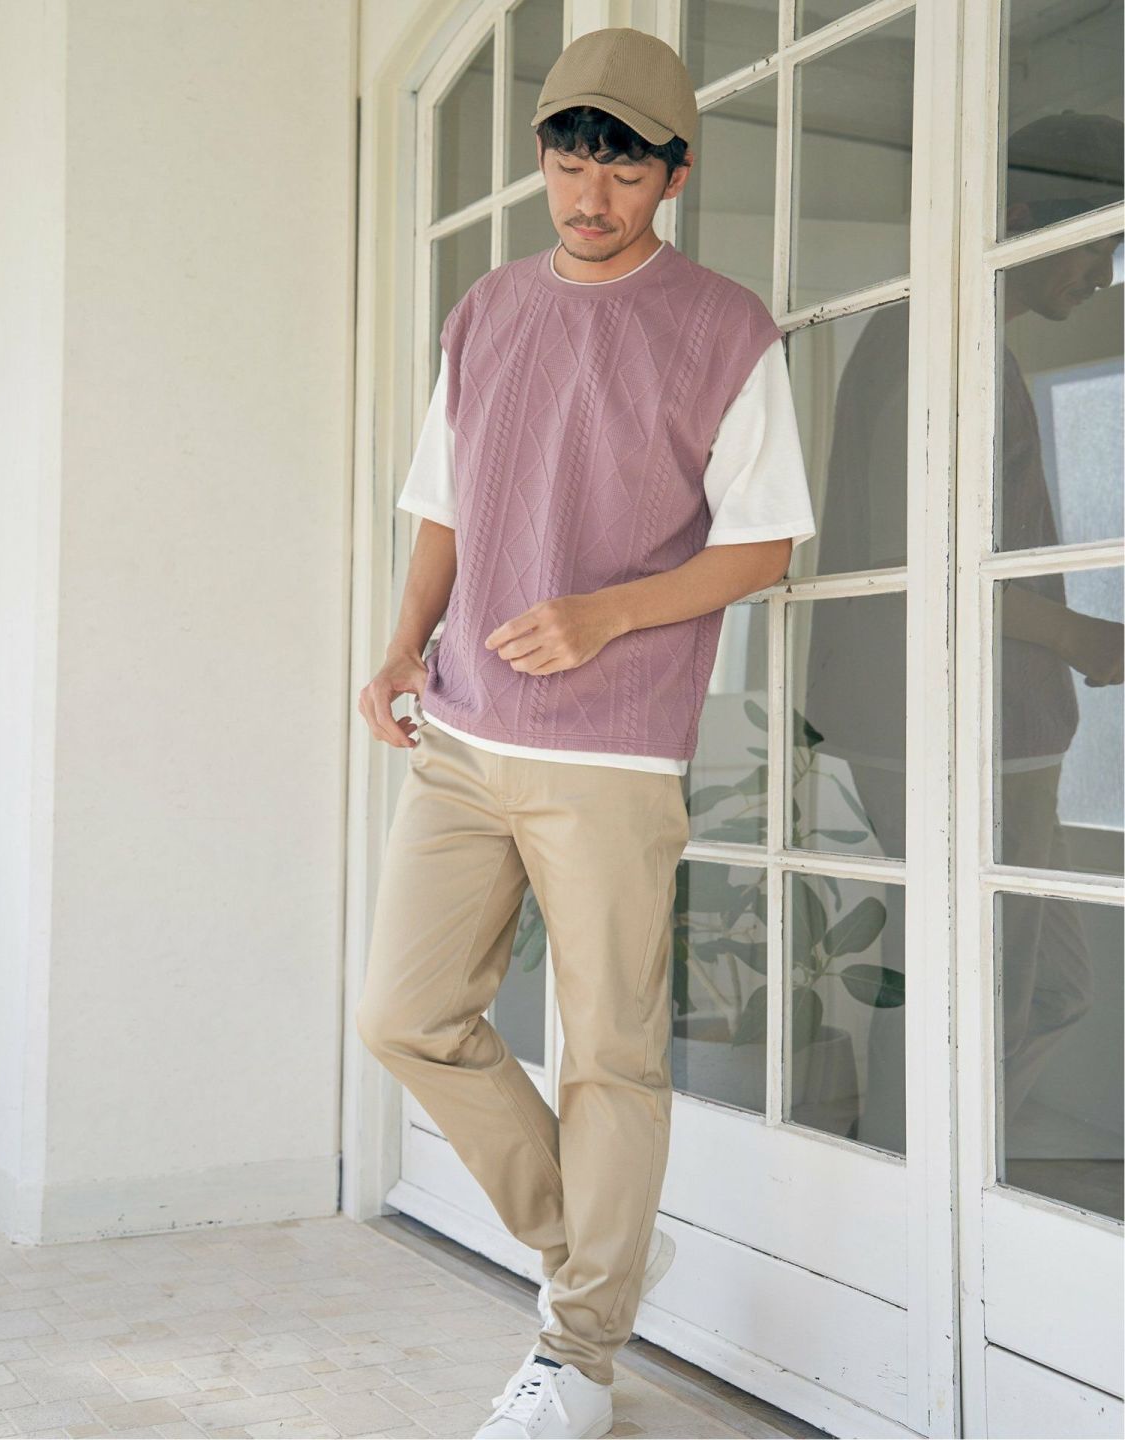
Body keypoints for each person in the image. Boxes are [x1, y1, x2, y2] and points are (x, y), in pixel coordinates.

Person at [355, 27, 816, 1440]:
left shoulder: (725, 328)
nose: (589, 195)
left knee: (609, 1054)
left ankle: (577, 1357)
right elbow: (444, 505)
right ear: (545, 160)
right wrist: (400, 643)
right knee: (405, 1015)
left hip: (611, 752)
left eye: (621, 170)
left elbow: (765, 544)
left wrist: (605, 616)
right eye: (569, 162)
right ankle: (597, 1254)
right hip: (463, 730)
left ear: (675, 173)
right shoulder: (487, 310)